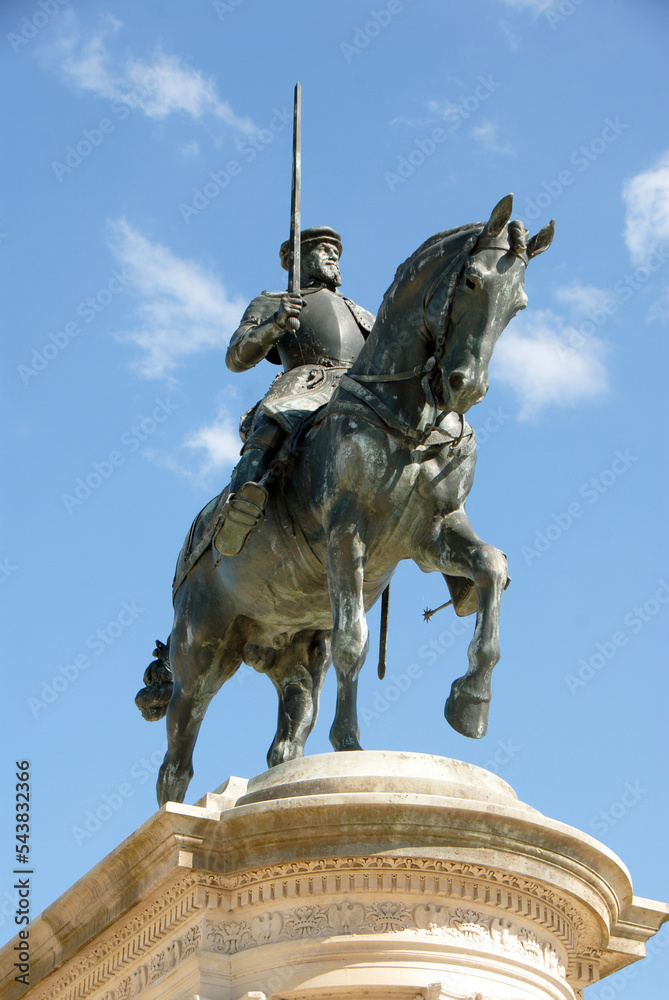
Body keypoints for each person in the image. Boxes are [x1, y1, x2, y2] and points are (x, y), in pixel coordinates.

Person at [215, 226, 375, 557]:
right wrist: (275, 323)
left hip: (360, 391)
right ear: (297, 259)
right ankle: (239, 509)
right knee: (274, 425)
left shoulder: (362, 314)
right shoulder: (272, 301)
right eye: (323, 249)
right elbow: (236, 357)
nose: (333, 255)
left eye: (336, 250)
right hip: (305, 386)